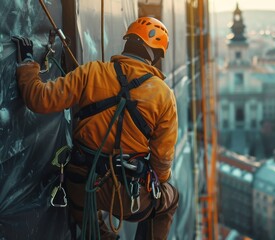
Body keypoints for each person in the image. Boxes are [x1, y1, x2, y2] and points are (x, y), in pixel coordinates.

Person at [13, 16, 179, 240]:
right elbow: (162, 162)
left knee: (94, 229)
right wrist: (155, 179)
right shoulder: (163, 94)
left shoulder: (91, 72)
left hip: (82, 186)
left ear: (128, 42)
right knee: (171, 198)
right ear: (156, 56)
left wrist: (27, 64)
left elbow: (39, 99)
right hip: (129, 197)